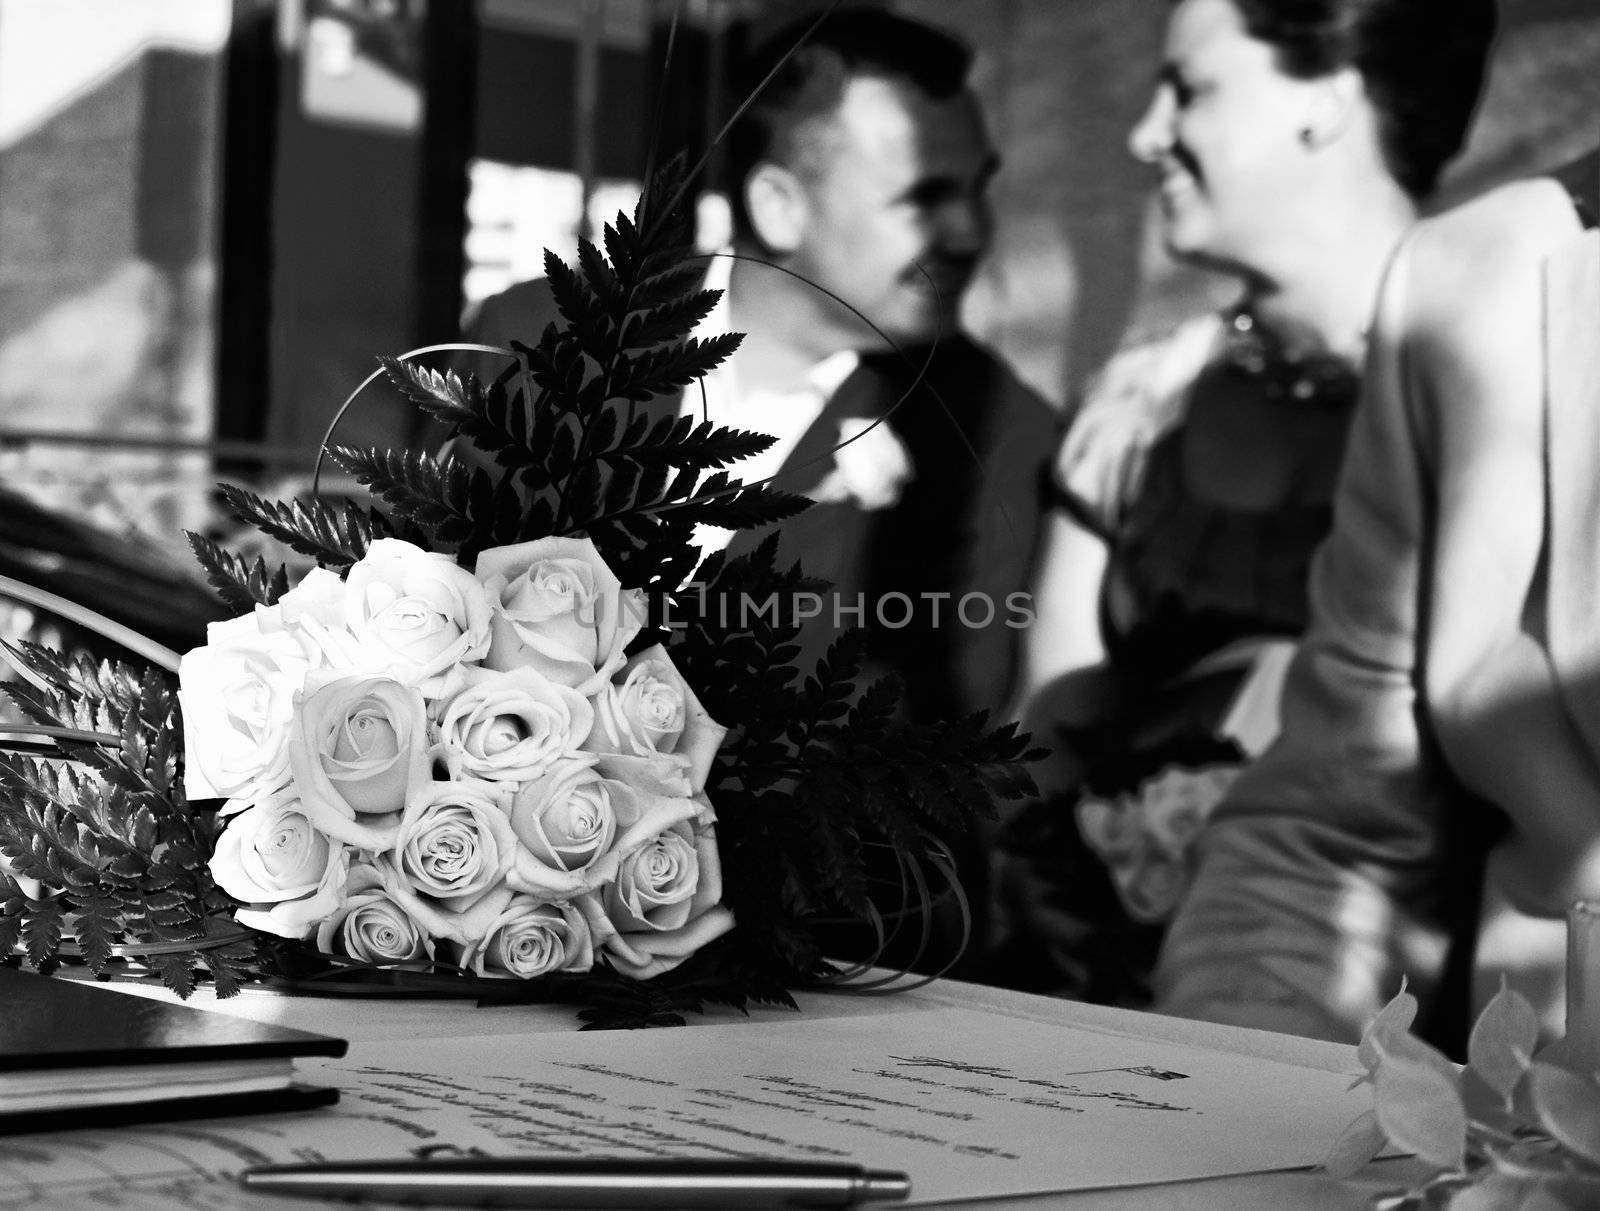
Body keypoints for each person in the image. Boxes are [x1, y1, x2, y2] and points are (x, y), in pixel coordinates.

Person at [452, 8, 1060, 974]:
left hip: (819, 959)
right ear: (779, 204)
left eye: (977, 188)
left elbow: (960, 746)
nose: (973, 231)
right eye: (925, 195)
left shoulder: (994, 430)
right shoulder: (544, 346)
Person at [984, 0, 1496, 1007]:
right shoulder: (1140, 407)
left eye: (1189, 87)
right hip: (1122, 995)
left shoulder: (1503, 397)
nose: (1144, 135)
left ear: (1328, 100)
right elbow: (1042, 734)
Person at [1154, 176, 1599, 1045]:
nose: (1146, 135)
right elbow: (1333, 835)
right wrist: (1213, 1100)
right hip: (1531, 1133)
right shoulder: (1485, 277)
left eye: (1192, 85)